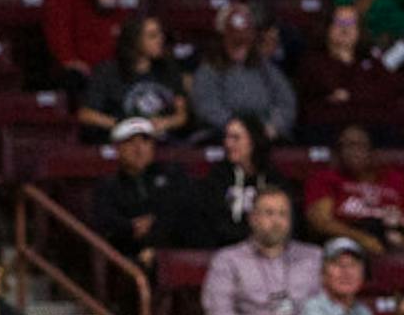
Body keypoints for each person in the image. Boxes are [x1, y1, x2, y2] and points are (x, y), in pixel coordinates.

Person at [201, 186, 321, 315]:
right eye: (269, 213)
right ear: (253, 218)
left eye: (283, 214)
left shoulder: (314, 257)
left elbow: (327, 305)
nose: (276, 221)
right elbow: (218, 314)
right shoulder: (229, 259)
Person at [304, 126, 404, 256]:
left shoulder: (394, 180)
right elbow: (320, 221)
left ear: (372, 151)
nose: (352, 151)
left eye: (359, 145)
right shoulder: (326, 178)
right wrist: (361, 238)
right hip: (346, 248)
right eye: (346, 146)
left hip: (393, 244)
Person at [191, 3, 297, 142]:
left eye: (244, 41)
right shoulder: (209, 70)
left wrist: (274, 126)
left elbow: (286, 102)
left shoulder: (265, 67)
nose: (240, 47)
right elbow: (207, 108)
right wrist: (237, 128)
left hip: (264, 134)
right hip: (224, 136)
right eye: (235, 42)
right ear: (223, 39)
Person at [76, 16, 190, 142]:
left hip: (161, 141)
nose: (160, 40)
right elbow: (86, 114)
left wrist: (166, 122)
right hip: (122, 142)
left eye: (160, 34)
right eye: (152, 36)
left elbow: (181, 115)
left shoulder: (169, 70)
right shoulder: (108, 72)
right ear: (135, 40)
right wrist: (125, 126)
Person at [91, 118, 182, 269]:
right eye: (130, 142)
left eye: (145, 142)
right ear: (118, 149)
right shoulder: (108, 185)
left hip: (169, 247)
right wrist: (131, 227)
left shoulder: (172, 176)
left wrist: (154, 227)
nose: (139, 149)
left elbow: (180, 211)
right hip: (127, 253)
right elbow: (105, 220)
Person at [297, 6, 404, 117]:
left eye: (351, 23)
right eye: (339, 23)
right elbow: (328, 93)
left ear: (359, 30)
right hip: (329, 125)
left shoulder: (369, 58)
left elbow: (388, 88)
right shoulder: (313, 61)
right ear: (327, 27)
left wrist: (352, 95)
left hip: (370, 122)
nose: (345, 29)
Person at [191, 114, 286, 250]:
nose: (228, 143)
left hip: (266, 251)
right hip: (224, 251)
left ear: (254, 140)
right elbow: (210, 222)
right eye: (227, 137)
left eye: (235, 138)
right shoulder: (217, 177)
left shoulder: (273, 178)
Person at [41, 0, 124, 94]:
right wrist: (69, 60)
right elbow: (59, 38)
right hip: (77, 74)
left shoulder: (113, 4)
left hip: (109, 74)